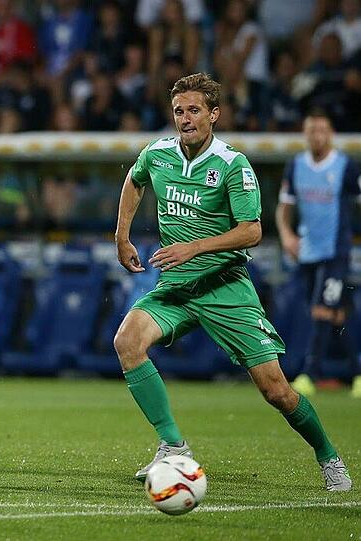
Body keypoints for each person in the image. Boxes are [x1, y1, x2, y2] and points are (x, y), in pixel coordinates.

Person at [113, 73, 351, 492]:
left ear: (214, 114)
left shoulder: (231, 164)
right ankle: (173, 446)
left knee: (276, 391)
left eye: (194, 110)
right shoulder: (158, 153)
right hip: (178, 288)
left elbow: (252, 231)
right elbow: (135, 179)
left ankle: (328, 456)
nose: (185, 119)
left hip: (225, 288)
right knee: (127, 342)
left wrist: (194, 247)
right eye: (179, 111)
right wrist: (122, 236)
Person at [276, 110, 361, 398]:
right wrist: (287, 235)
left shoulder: (346, 167)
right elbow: (284, 207)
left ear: (331, 134)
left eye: (322, 131)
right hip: (308, 252)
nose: (317, 136)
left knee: (321, 310)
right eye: (312, 131)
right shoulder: (296, 166)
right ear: (305, 134)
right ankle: (358, 373)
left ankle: (309, 374)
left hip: (335, 252)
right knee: (336, 315)